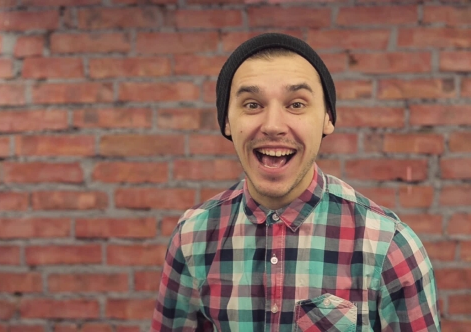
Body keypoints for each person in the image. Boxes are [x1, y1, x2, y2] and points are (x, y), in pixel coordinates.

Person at [151, 33, 440, 332]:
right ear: (226, 120)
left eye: (297, 104)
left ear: (327, 118)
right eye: (252, 105)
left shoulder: (389, 246)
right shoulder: (192, 238)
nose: (273, 125)